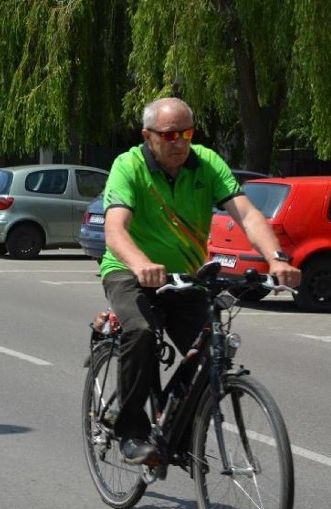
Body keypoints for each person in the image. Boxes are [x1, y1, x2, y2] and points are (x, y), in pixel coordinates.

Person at [100, 97, 301, 465]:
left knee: (211, 350)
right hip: (128, 271)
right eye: (170, 134)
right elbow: (115, 229)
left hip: (185, 278)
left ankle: (177, 425)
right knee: (142, 333)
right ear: (148, 135)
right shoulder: (127, 165)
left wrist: (276, 258)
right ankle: (130, 429)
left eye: (187, 133)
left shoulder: (206, 163)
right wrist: (141, 263)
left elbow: (248, 215)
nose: (180, 142)